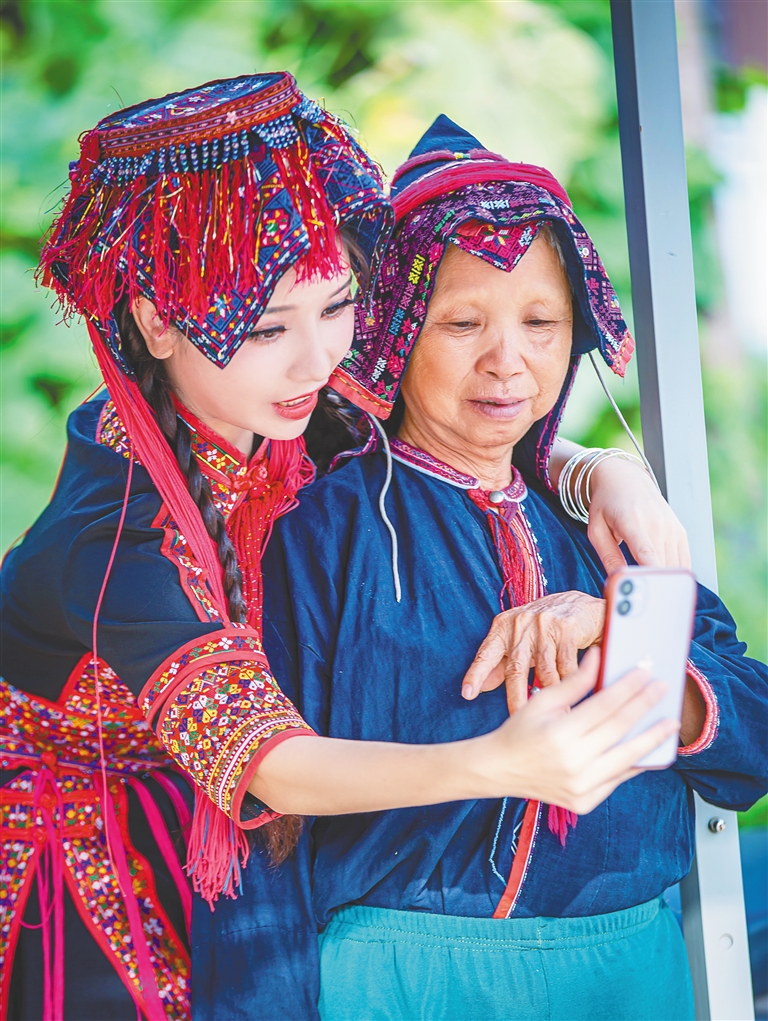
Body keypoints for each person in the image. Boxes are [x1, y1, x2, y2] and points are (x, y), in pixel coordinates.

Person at [0, 76, 692, 1021]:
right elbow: (271, 761)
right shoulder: (117, 540)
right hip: (90, 848)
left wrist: (596, 470)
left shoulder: (278, 395)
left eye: (336, 305)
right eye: (265, 327)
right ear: (156, 322)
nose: (320, 357)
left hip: (239, 837)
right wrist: (501, 761)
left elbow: (461, 422)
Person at [245, 116, 768, 1021]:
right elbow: (266, 822)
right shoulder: (323, 529)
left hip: (627, 975)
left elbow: (750, 738)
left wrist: (614, 623)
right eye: (462, 322)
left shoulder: (608, 529)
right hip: (399, 983)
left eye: (541, 322)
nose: (508, 361)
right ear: (398, 330)